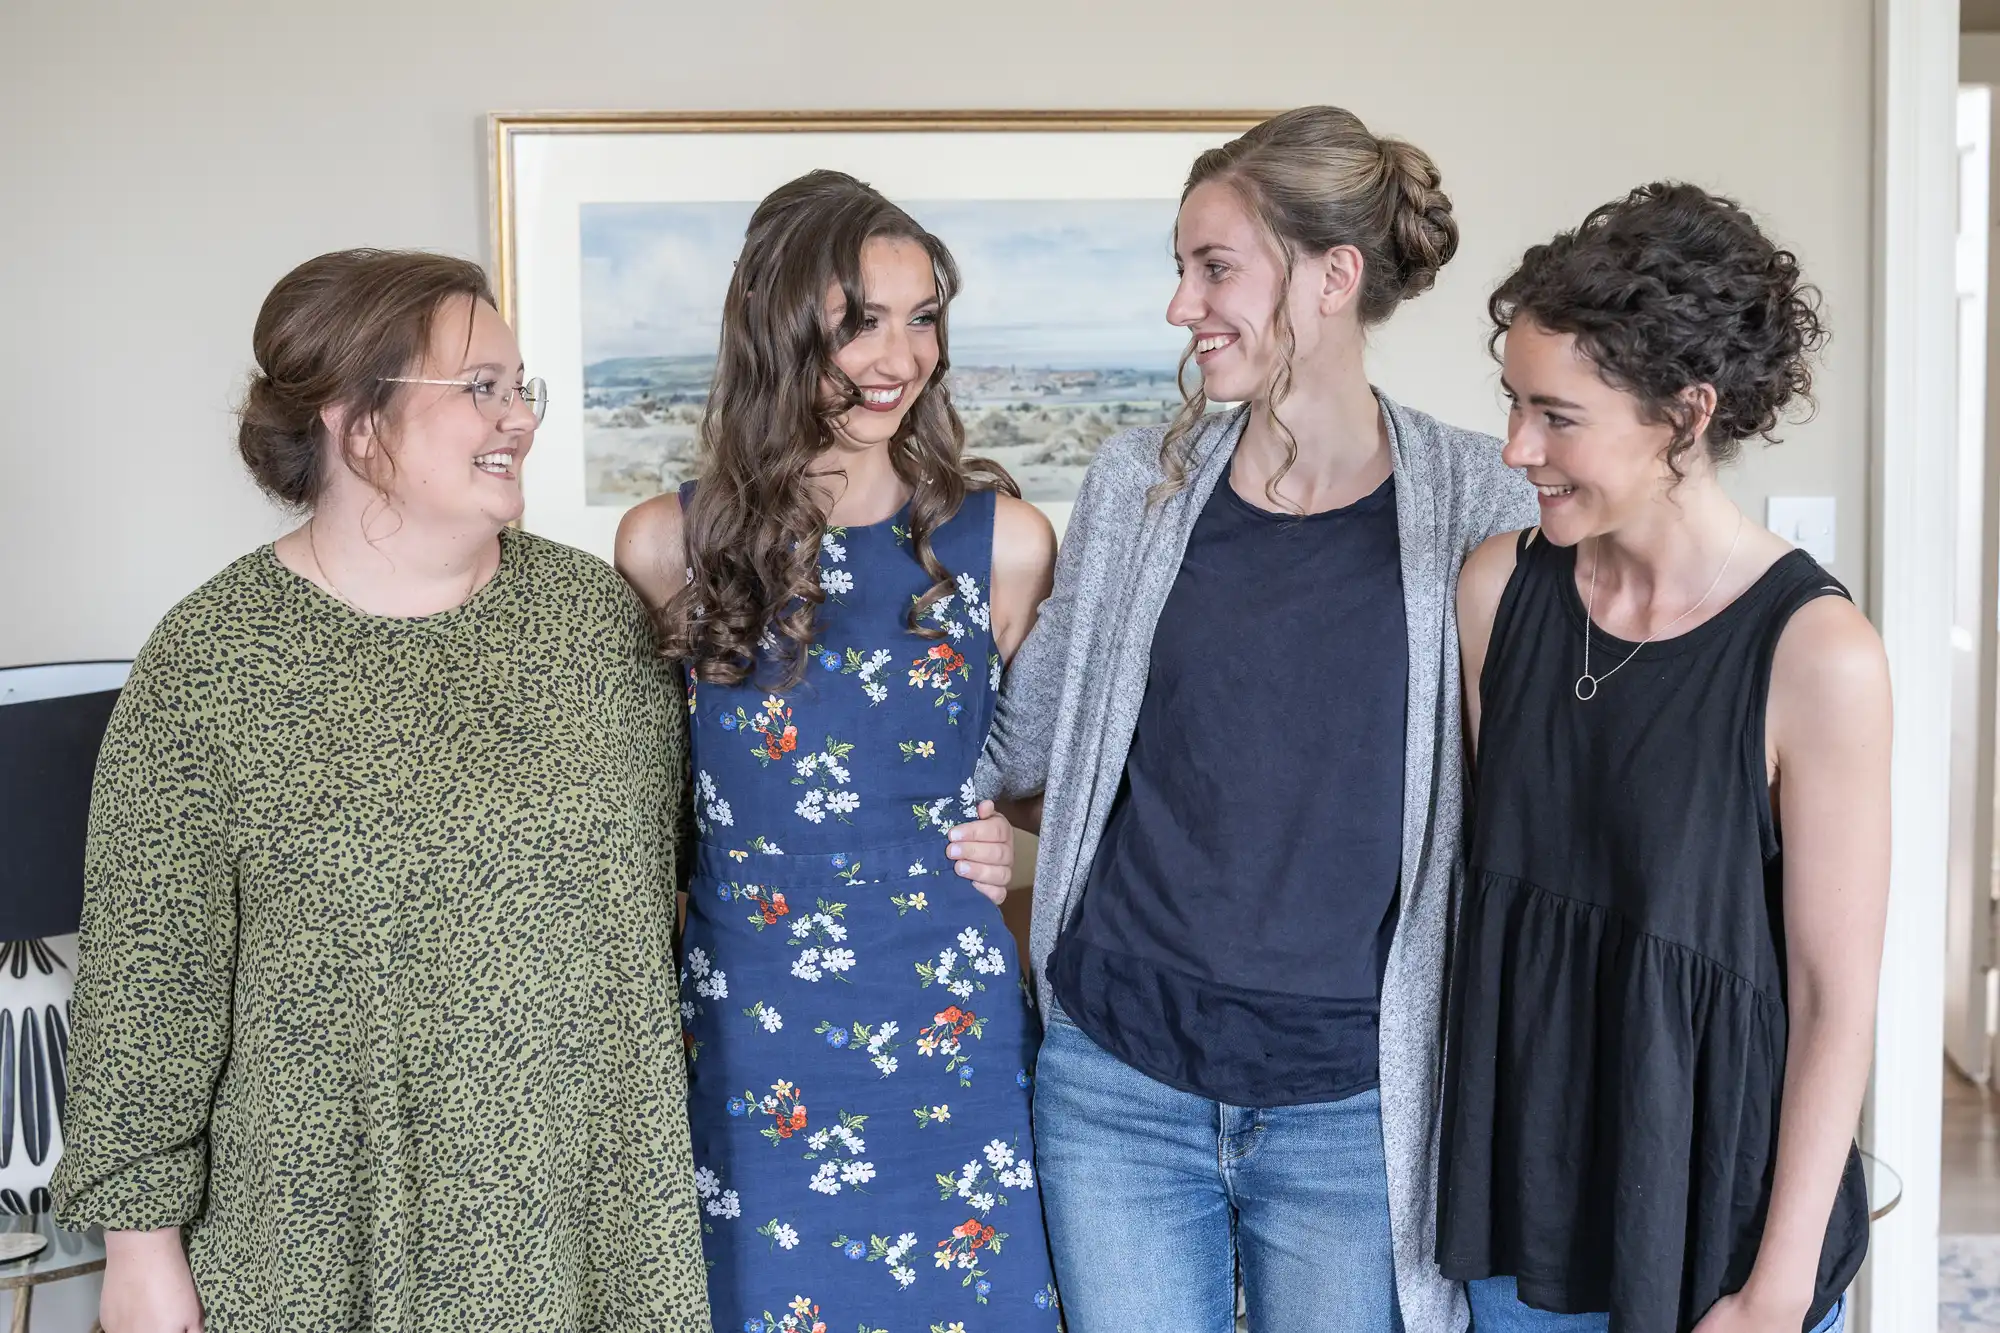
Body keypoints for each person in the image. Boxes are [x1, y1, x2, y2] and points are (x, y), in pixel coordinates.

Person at [51, 249, 710, 1333]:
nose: (519, 420)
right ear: (357, 426)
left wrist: (945, 835)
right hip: (315, 1237)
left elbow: (709, 867)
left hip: (587, 1226)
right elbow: (146, 981)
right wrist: (139, 1253)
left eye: (520, 387)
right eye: (479, 389)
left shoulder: (596, 627)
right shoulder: (212, 661)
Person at [973, 106, 1538, 1333]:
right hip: (1115, 1078)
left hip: (1353, 1103)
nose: (1182, 307)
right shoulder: (1141, 483)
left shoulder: (1478, 504)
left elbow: (1536, 798)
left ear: (1333, 276)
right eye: (1180, 270)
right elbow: (1025, 743)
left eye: (1213, 266)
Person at [1437, 183, 1889, 1333]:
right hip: (1521, 1212)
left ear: (1684, 415)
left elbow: (1832, 1000)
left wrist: (1774, 1292)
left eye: (1556, 416)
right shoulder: (1497, 592)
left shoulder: (1814, 651)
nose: (1514, 449)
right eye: (1510, 406)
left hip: (1714, 1231)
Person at [615, 169, 1059, 1333]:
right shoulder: (667, 546)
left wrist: (1014, 842)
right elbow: (633, 814)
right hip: (750, 1033)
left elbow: (1057, 773)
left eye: (921, 319)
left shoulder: (1002, 545)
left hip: (947, 1028)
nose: (896, 355)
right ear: (774, 323)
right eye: (858, 319)